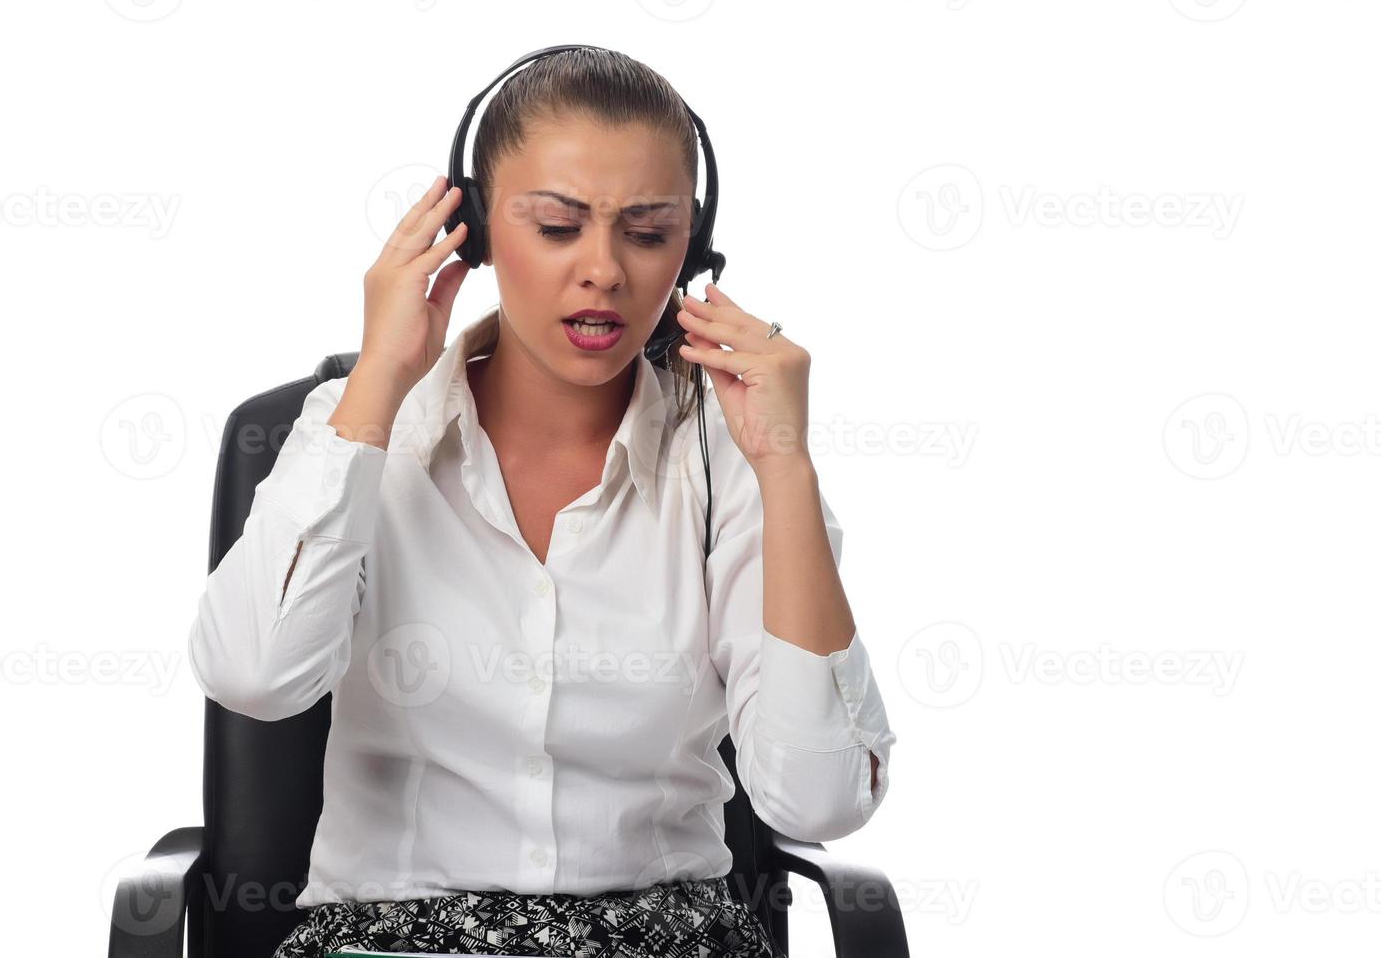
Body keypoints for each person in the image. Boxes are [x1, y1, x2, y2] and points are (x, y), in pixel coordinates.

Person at [187, 47, 895, 958]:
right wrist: (378, 380)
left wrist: (784, 466)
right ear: (474, 232)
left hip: (665, 937)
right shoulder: (358, 427)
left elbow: (822, 800)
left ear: (694, 244)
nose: (603, 270)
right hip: (393, 942)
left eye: (646, 233)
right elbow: (254, 674)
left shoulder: (728, 457)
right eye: (559, 227)